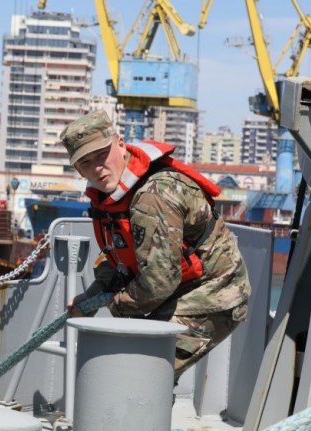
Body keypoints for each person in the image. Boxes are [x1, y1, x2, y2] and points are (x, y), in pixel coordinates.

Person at [60, 110, 251, 380]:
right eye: (86, 162)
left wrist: (113, 303)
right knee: (128, 366)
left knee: (141, 375)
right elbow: (120, 256)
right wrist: (93, 295)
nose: (97, 167)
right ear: (78, 169)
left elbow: (158, 282)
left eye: (102, 154)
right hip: (173, 290)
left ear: (121, 144)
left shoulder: (153, 196)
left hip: (213, 293)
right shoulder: (114, 195)